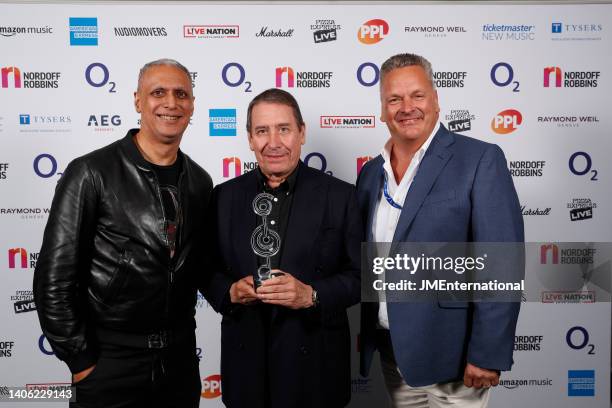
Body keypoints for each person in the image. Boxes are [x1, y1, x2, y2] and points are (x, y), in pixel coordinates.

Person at [33, 58, 212, 408]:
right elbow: (53, 280)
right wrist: (81, 361)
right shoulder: (90, 172)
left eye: (181, 94)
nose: (171, 103)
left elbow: (198, 269)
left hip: (179, 362)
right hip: (110, 362)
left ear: (192, 104)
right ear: (137, 101)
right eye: (158, 92)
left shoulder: (201, 182)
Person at [357, 53, 524, 407]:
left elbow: (501, 263)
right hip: (393, 351)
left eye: (417, 95)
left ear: (435, 99)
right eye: (394, 99)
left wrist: (488, 352)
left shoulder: (479, 160)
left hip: (456, 359)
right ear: (383, 109)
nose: (406, 107)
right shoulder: (371, 174)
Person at [203, 88, 362, 408]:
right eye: (262, 131)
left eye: (284, 129)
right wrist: (230, 291)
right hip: (247, 371)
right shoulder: (224, 196)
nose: (273, 142)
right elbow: (204, 268)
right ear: (249, 138)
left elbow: (363, 276)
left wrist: (312, 295)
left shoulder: (342, 196)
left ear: (302, 133)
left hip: (315, 370)